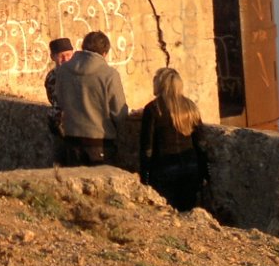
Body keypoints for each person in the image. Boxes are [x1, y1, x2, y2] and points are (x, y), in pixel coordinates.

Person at [52, 31, 129, 166]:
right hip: (100, 144)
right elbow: (119, 113)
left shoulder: (63, 71)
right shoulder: (109, 75)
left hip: (71, 142)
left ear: (83, 47)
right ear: (104, 53)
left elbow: (59, 101)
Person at [138, 67, 206, 211]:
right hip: (190, 166)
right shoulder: (190, 107)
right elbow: (200, 143)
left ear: (161, 84)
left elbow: (147, 147)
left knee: (167, 213)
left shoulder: (153, 109)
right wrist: (204, 172)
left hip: (164, 168)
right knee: (188, 210)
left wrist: (145, 177)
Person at [42, 37, 75, 164]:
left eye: (68, 55)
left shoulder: (78, 74)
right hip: (58, 128)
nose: (65, 59)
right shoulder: (51, 77)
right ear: (53, 57)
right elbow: (52, 100)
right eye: (61, 56)